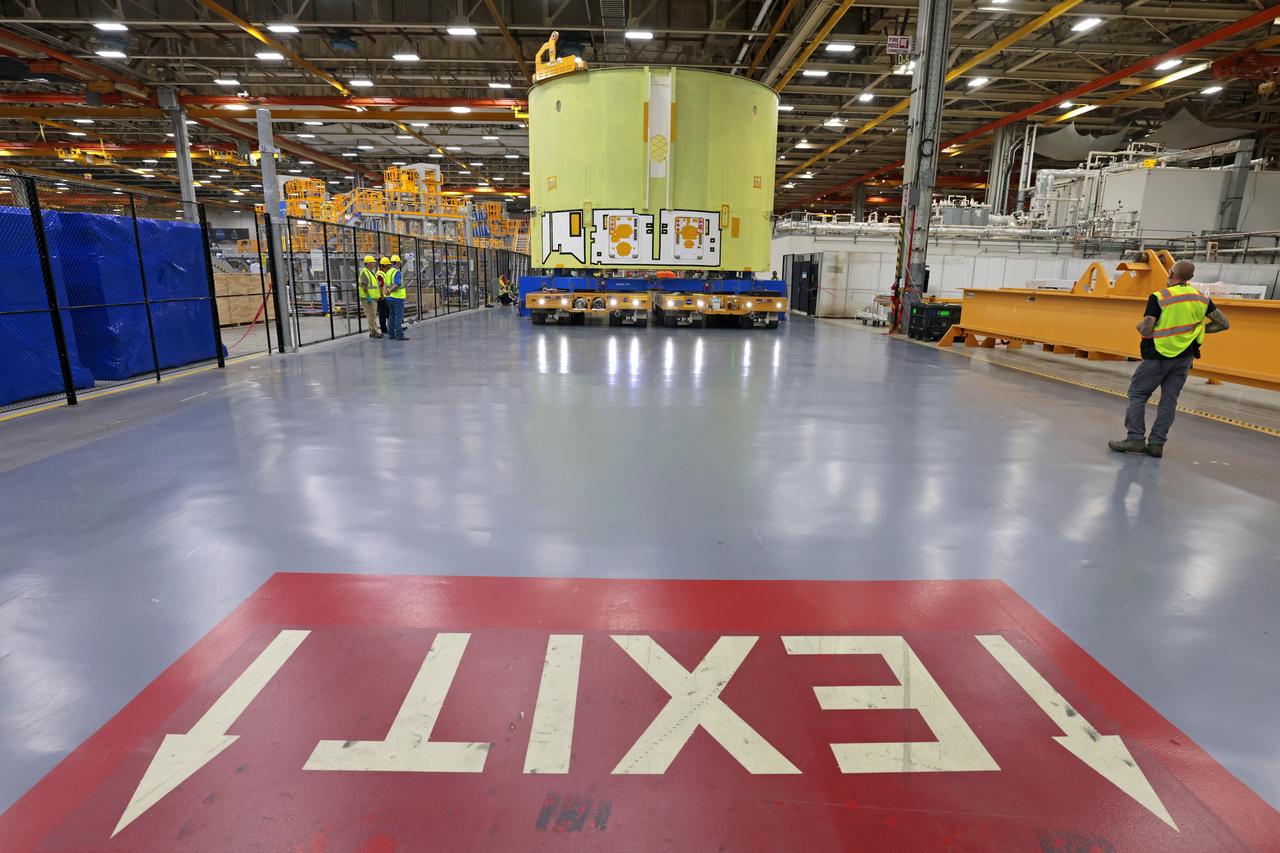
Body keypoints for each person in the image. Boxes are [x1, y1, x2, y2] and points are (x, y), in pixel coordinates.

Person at [1109, 260, 1230, 458]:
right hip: (1184, 357)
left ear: (1171, 273)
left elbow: (1147, 328)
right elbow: (1223, 324)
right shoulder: (1201, 298)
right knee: (1169, 400)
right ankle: (1157, 444)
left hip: (1159, 354)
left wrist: (1140, 326)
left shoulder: (1159, 297)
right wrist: (1197, 331)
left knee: (1138, 394)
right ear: (1189, 278)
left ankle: (1135, 439)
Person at [357, 255, 383, 339]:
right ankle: (373, 332)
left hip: (372, 298)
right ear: (368, 263)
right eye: (372, 263)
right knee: (371, 315)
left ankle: (374, 331)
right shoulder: (365, 272)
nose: (374, 264)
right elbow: (363, 285)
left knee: (373, 315)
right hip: (368, 298)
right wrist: (368, 296)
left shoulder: (370, 272)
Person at [385, 254, 409, 340]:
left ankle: (391, 334)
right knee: (398, 316)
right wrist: (389, 291)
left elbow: (385, 284)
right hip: (397, 298)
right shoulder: (397, 272)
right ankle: (399, 335)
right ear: (398, 263)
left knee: (391, 316)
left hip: (389, 298)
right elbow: (396, 285)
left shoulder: (388, 272)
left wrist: (386, 292)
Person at [377, 256, 391, 338]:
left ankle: (389, 327)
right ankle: (383, 329)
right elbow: (380, 286)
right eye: (387, 266)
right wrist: (381, 295)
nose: (388, 267)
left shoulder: (384, 273)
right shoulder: (380, 274)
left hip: (385, 296)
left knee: (388, 312)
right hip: (381, 297)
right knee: (382, 313)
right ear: (383, 266)